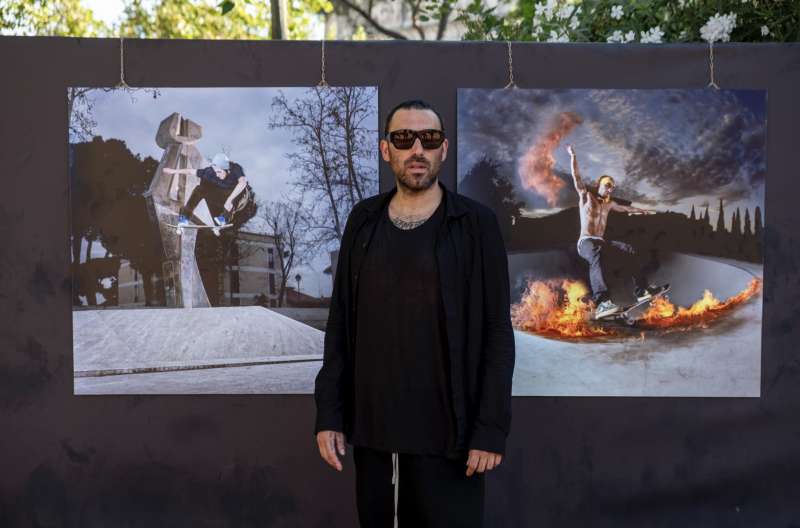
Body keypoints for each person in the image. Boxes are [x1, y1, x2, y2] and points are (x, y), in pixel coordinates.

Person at [314, 99, 515, 528]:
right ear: (387, 150)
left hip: (451, 440)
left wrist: (490, 428)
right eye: (404, 139)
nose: (417, 149)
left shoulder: (476, 225)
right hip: (373, 436)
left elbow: (498, 332)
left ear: (444, 149)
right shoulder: (362, 221)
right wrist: (329, 414)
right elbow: (339, 324)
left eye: (430, 139)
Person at [568, 144, 667, 319]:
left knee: (629, 249)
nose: (610, 189)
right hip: (586, 242)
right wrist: (573, 156)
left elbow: (624, 208)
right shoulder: (586, 197)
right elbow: (576, 177)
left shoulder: (609, 204)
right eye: (607, 185)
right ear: (599, 184)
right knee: (596, 253)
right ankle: (601, 302)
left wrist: (642, 210)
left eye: (612, 187)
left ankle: (642, 289)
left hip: (601, 242)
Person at [162, 152, 248, 229]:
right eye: (215, 172)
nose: (217, 175)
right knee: (199, 189)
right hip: (222, 196)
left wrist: (229, 200)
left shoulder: (235, 168)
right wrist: (174, 171)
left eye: (219, 172)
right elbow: (191, 171)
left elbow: (243, 183)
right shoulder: (210, 172)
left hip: (240, 198)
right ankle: (185, 217)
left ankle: (224, 218)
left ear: (227, 170)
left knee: (237, 192)